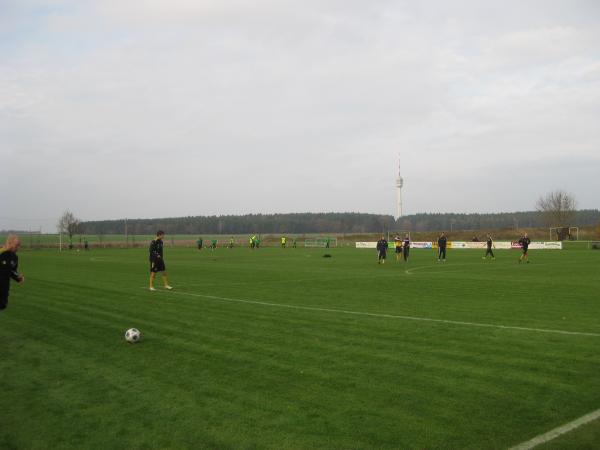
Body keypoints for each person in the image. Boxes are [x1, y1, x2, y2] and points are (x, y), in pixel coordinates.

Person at [0, 234, 25, 311]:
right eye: (17, 245)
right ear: (9, 243)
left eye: (19, 245)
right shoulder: (1, 252)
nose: (18, 248)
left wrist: (18, 277)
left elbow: (12, 271)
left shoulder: (15, 257)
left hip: (4, 289)